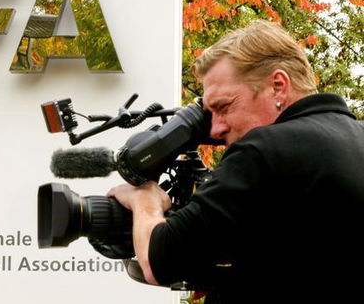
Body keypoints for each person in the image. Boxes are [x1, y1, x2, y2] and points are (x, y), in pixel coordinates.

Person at [107, 20, 364, 304]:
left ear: (278, 86)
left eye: (224, 107)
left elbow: (160, 261)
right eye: (210, 113)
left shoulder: (264, 150)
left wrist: (145, 200)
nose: (215, 129)